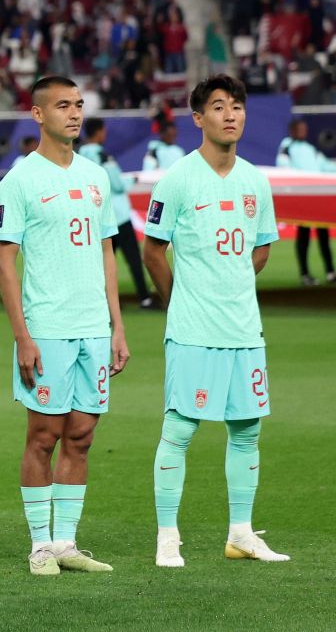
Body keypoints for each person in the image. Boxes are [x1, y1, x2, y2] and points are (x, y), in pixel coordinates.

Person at [143, 75, 288, 567]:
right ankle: (168, 537)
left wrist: (231, 284)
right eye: (220, 107)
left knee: (247, 430)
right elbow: (153, 249)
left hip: (245, 328)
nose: (231, 115)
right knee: (179, 430)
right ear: (198, 118)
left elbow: (262, 246)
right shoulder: (178, 179)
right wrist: (178, 297)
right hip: (193, 329)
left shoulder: (254, 180)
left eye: (238, 107)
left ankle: (241, 534)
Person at [0, 76, 130, 576]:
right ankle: (39, 546)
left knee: (82, 435)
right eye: (62, 106)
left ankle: (66, 543)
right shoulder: (20, 180)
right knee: (44, 434)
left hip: (93, 327)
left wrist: (117, 326)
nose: (73, 114)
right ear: (38, 114)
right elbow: (5, 263)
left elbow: (106, 255)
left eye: (78, 105)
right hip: (47, 327)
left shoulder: (95, 177)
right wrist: (22, 335)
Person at [78, 118, 156, 308]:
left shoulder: (78, 156)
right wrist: (133, 180)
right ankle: (145, 298)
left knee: (102, 262)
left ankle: (100, 301)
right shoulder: (103, 156)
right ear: (98, 132)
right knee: (134, 260)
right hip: (118, 215)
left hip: (97, 216)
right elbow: (117, 185)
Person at [276, 118, 334, 285]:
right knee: (304, 235)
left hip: (317, 196)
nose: (304, 131)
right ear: (293, 130)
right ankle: (305, 274)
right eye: (300, 129)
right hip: (302, 197)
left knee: (324, 236)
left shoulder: (311, 149)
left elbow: (325, 166)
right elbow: (284, 168)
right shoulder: (287, 147)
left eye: (305, 128)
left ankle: (330, 272)